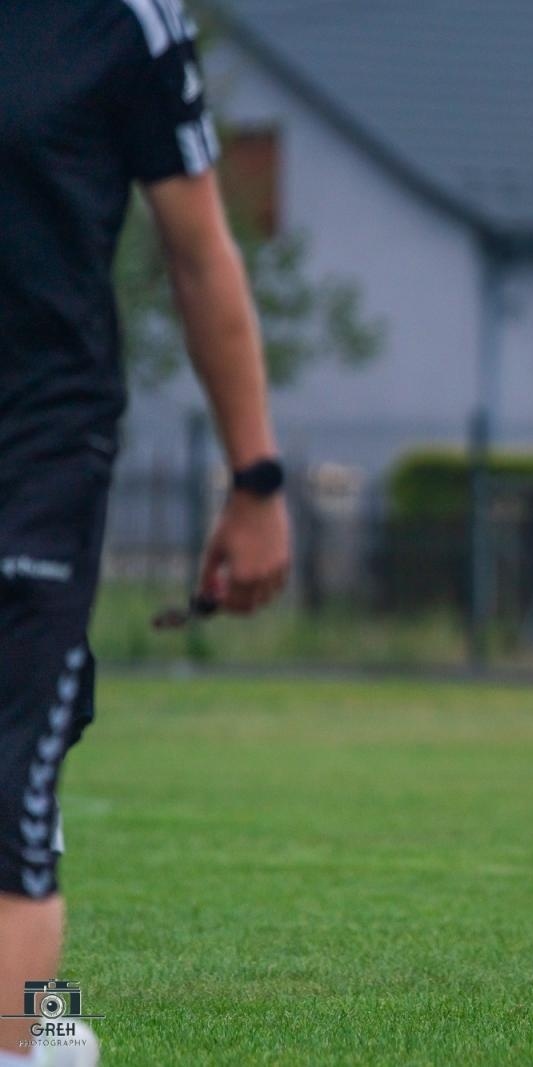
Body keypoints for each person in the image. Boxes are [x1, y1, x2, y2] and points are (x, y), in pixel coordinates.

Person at [0, 3, 290, 1063]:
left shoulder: (121, 22)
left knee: (13, 767)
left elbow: (202, 249)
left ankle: (33, 1032)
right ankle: (48, 1017)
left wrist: (255, 475)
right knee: (34, 736)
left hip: (36, 447)